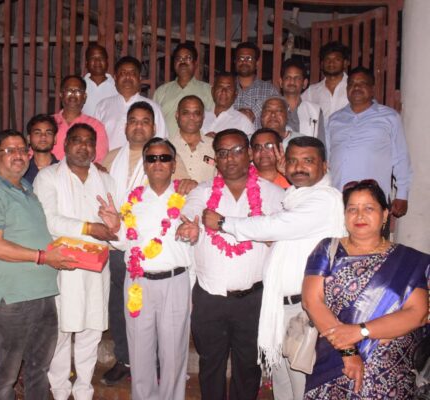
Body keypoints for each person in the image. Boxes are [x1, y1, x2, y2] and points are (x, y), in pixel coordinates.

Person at [207, 137, 346, 400]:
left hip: (305, 311)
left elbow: (276, 225)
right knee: (283, 387)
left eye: (308, 161)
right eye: (292, 161)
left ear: (324, 166)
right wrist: (288, 174)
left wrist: (225, 223)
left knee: (303, 388)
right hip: (282, 309)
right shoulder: (298, 197)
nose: (298, 167)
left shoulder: (325, 199)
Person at [177, 129, 285, 400]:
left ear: (249, 153)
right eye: (223, 153)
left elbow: (280, 233)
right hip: (210, 298)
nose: (230, 158)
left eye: (237, 150)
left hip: (253, 299)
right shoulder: (203, 192)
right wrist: (190, 226)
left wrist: (256, 231)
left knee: (248, 367)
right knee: (210, 364)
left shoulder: (273, 194)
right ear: (216, 159)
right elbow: (190, 212)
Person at [0, 129, 75, 400]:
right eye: (10, 150)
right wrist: (44, 257)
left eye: (22, 150)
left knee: (39, 370)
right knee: (6, 376)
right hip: (11, 302)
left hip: (44, 295)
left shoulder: (28, 189)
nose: (18, 155)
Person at [302, 180, 429, 398]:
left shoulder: (409, 261)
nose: (359, 215)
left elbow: (417, 313)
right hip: (335, 360)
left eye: (369, 208)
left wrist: (360, 331)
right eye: (352, 209)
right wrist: (348, 351)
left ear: (385, 214)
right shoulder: (328, 249)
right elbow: (312, 302)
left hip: (389, 369)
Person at [99, 101, 191, 386]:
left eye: (164, 158)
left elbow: (199, 229)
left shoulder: (186, 193)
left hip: (172, 275)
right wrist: (114, 227)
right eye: (152, 159)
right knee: (136, 344)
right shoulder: (131, 195)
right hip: (133, 272)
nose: (158, 163)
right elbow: (125, 238)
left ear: (173, 164)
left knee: (172, 349)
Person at [33, 123, 117, 400]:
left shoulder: (106, 180)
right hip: (63, 266)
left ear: (95, 148)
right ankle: (59, 390)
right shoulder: (48, 177)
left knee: (91, 330)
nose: (83, 146)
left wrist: (114, 226)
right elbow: (49, 220)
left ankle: (83, 390)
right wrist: (90, 228)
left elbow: (116, 223)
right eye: (77, 140)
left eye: (89, 141)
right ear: (66, 144)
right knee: (60, 331)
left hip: (97, 268)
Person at [326, 66, 412, 226]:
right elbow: (327, 159)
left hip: (374, 199)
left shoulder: (390, 117)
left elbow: (401, 158)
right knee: (339, 241)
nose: (356, 87)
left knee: (372, 241)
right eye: (352, 84)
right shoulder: (334, 119)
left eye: (362, 83)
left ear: (372, 89)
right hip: (338, 200)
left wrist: (402, 194)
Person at [95, 56, 167, 150]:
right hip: (108, 159)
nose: (128, 77)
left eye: (133, 73)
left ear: (139, 78)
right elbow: (94, 140)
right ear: (115, 78)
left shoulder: (154, 107)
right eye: (123, 73)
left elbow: (161, 141)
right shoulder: (102, 106)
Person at [153, 43, 214, 136]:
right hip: (166, 143)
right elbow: (154, 121)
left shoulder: (208, 91)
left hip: (198, 144)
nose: (183, 62)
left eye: (188, 58)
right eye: (179, 59)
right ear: (174, 63)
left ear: (195, 64)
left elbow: (216, 120)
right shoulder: (161, 92)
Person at [53, 75, 109, 162]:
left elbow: (100, 160)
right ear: (61, 95)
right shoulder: (49, 123)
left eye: (78, 91)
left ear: (84, 96)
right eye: (69, 91)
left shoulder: (96, 126)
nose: (73, 95)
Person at [233, 42, 280, 128]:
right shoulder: (226, 89)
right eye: (241, 58)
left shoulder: (270, 91)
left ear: (257, 63)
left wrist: (253, 113)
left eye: (249, 58)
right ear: (235, 62)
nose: (244, 62)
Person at [170, 95, 216, 183]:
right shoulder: (166, 147)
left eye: (197, 113)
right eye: (185, 112)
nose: (191, 117)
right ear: (177, 115)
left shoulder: (215, 146)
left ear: (203, 117)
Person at [302, 41, 350, 125]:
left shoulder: (354, 87)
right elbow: (297, 108)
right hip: (319, 133)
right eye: (327, 59)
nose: (331, 63)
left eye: (337, 59)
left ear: (345, 63)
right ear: (322, 64)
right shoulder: (312, 91)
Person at [280, 58, 324, 140]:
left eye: (297, 78)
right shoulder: (272, 109)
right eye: (288, 77)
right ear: (281, 82)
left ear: (304, 83)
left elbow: (321, 143)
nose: (292, 81)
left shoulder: (315, 111)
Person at [202, 72, 255, 137]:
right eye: (220, 87)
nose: (224, 91)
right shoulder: (200, 116)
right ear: (212, 91)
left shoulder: (243, 121)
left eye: (229, 88)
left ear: (236, 94)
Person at [83, 44, 118, 117]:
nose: (97, 61)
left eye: (101, 57)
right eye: (93, 58)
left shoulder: (117, 86)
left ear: (107, 62)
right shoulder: (80, 86)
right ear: (86, 63)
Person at [23, 114, 59, 184]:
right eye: (37, 133)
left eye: (48, 133)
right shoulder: (21, 170)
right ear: (29, 139)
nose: (43, 136)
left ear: (55, 139)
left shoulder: (64, 170)